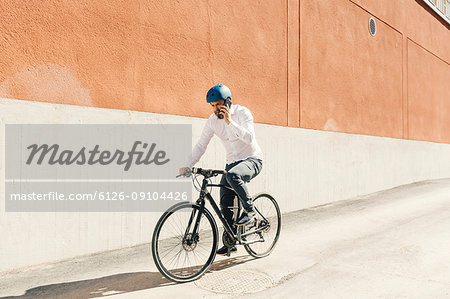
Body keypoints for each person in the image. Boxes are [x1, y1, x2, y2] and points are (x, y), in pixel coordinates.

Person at [179, 84, 263, 255]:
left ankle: (250, 210)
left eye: (218, 104)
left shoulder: (242, 113)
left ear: (228, 101)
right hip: (231, 164)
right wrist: (188, 164)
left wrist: (229, 122)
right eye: (212, 105)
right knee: (225, 204)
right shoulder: (212, 121)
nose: (216, 109)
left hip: (252, 159)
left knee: (233, 175)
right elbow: (201, 145)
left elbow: (249, 138)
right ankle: (231, 242)